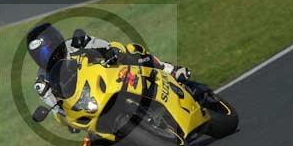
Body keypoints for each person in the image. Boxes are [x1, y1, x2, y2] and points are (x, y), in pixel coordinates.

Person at [27, 23, 192, 117]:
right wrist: (67, 119)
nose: (46, 56)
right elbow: (58, 110)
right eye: (39, 54)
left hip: (113, 76)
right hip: (91, 104)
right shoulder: (42, 81)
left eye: (48, 48)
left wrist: (112, 52)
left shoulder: (77, 43)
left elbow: (108, 46)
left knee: (132, 50)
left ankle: (169, 70)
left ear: (57, 41)